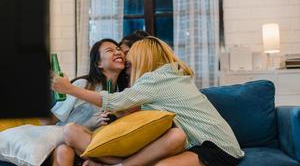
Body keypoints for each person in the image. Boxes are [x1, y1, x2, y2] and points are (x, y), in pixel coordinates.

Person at [54, 37, 245, 166]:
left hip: (216, 148)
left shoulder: (155, 79)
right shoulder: (172, 75)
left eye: (131, 59)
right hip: (216, 144)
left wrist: (69, 89)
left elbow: (115, 101)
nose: (128, 63)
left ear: (143, 58)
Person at [51, 38, 128, 166]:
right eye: (110, 50)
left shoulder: (122, 93)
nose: (118, 52)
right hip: (66, 141)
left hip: (95, 145)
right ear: (99, 63)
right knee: (64, 150)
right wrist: (90, 123)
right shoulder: (82, 85)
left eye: (119, 49)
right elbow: (53, 122)